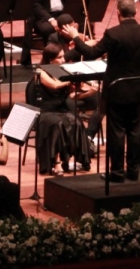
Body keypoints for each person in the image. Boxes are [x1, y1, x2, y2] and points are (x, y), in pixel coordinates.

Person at [62, 0, 140, 182]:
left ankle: (118, 173)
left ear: (119, 13)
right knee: (135, 132)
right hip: (138, 90)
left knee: (117, 133)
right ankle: (133, 171)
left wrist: (75, 37)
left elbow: (91, 53)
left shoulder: (113, 33)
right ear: (135, 12)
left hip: (116, 91)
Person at [28, 44, 92, 176]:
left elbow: (72, 95)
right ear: (50, 59)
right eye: (60, 57)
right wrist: (70, 80)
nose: (63, 60)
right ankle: (54, 163)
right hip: (45, 111)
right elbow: (55, 85)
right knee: (57, 124)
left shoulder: (62, 70)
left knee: (76, 122)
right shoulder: (41, 72)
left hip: (61, 109)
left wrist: (90, 91)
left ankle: (69, 160)